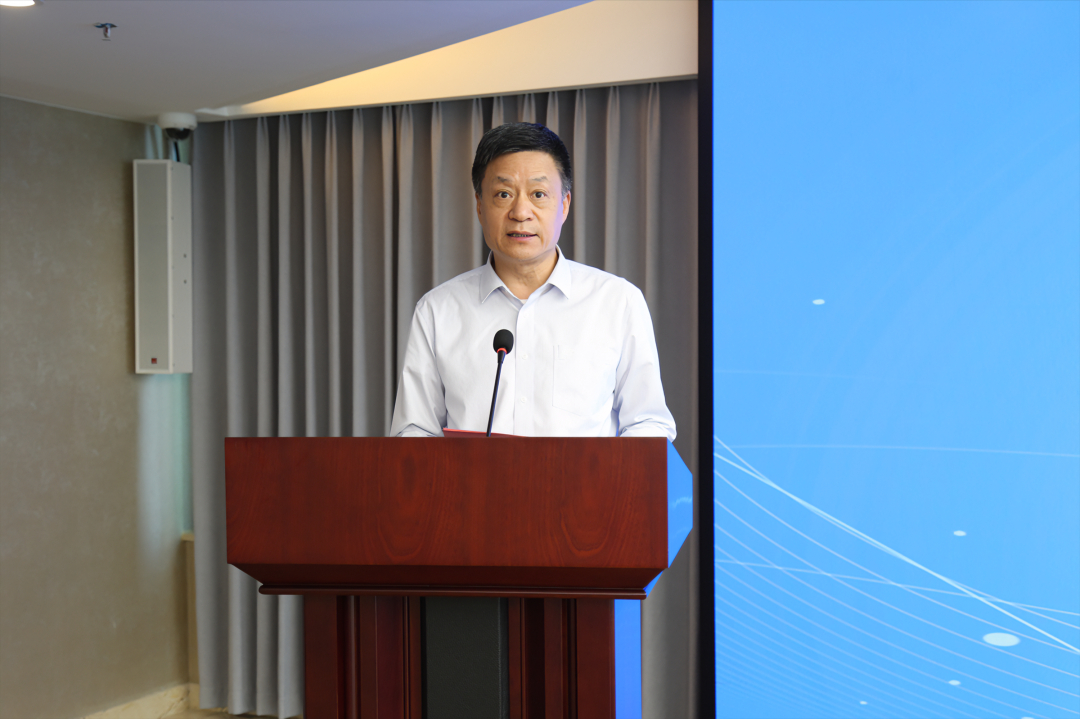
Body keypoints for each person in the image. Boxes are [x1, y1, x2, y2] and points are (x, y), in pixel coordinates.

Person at [389, 122, 675, 440]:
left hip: (588, 477)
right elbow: (414, 431)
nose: (521, 212)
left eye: (538, 194)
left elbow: (649, 423)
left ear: (564, 204)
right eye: (503, 194)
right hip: (472, 477)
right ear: (480, 206)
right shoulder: (437, 310)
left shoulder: (617, 302)